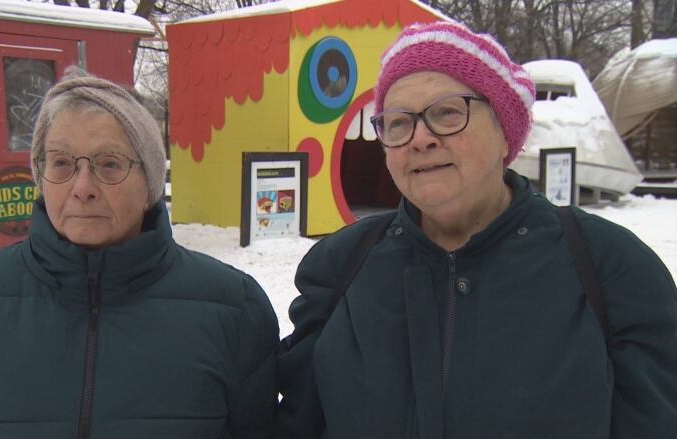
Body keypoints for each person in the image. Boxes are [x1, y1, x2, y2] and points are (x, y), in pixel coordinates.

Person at [274, 21, 677, 439]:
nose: (421, 138)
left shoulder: (612, 270)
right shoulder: (341, 267)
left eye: (448, 112)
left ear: (505, 132)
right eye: (398, 122)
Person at [0, 66, 279, 438]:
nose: (82, 186)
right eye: (61, 163)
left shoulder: (234, 310)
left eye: (109, 164)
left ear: (149, 181)